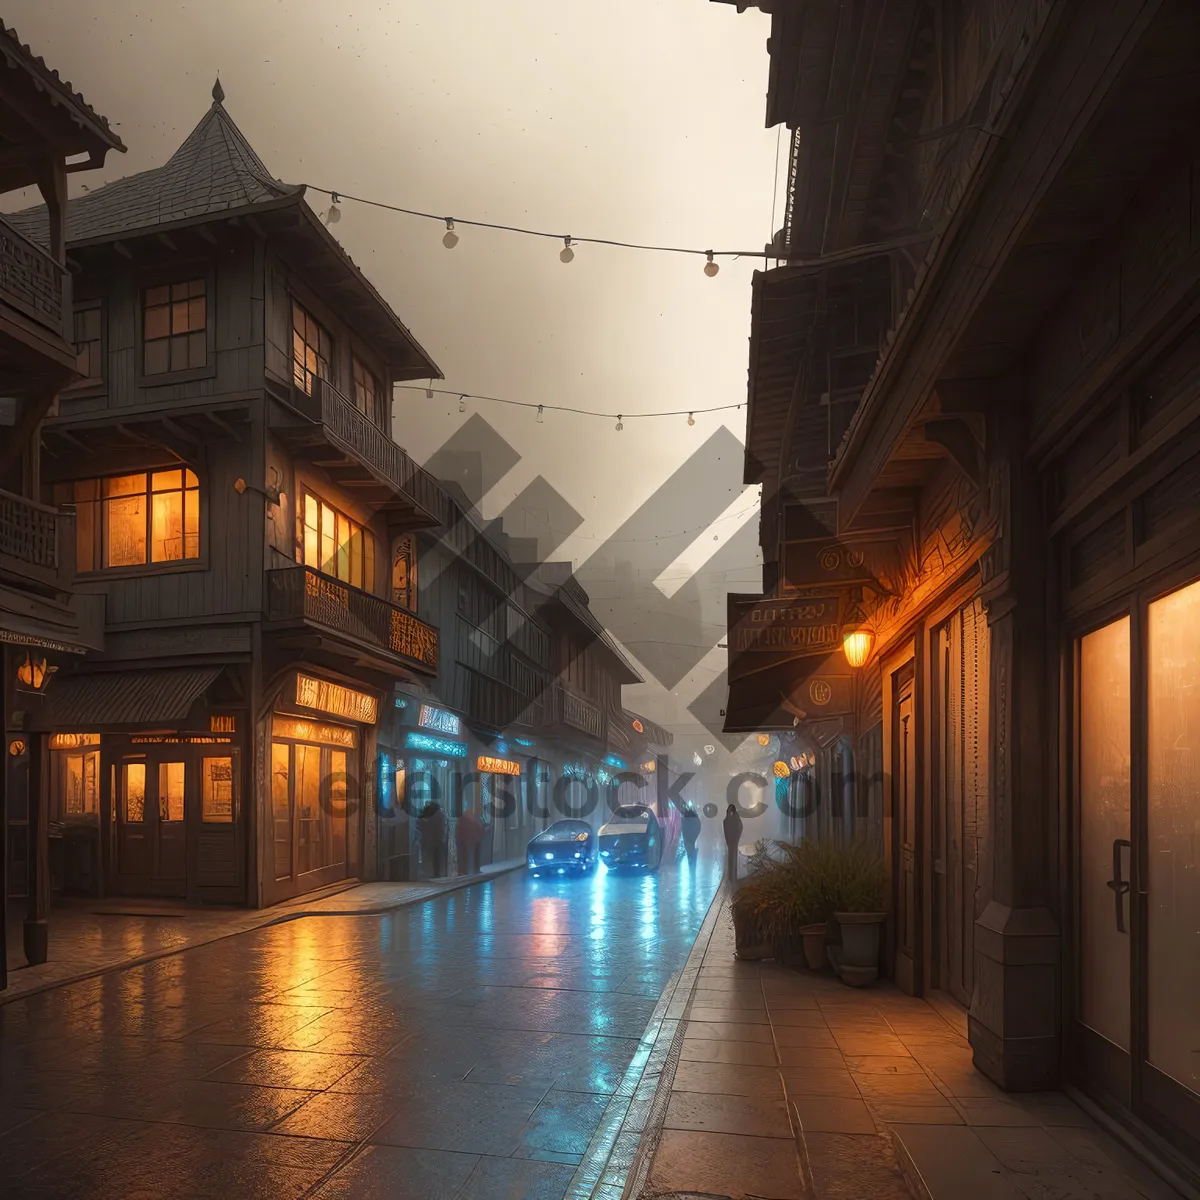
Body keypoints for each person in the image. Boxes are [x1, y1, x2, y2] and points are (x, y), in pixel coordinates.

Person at [418, 801, 448, 878]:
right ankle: (436, 874)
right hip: (436, 841)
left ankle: (429, 874)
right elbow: (441, 829)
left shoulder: (424, 817)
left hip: (428, 841)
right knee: (436, 860)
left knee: (428, 859)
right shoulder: (440, 816)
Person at [456, 802, 484, 876]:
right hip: (465, 840)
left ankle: (468, 870)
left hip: (472, 839)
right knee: (464, 856)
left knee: (466, 856)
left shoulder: (473, 819)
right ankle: (464, 870)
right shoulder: (467, 820)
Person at [723, 803, 743, 882]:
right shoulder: (727, 819)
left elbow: (740, 828)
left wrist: (736, 838)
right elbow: (726, 829)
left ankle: (733, 875)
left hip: (734, 841)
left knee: (733, 857)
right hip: (730, 841)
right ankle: (730, 876)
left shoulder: (736, 818)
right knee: (730, 857)